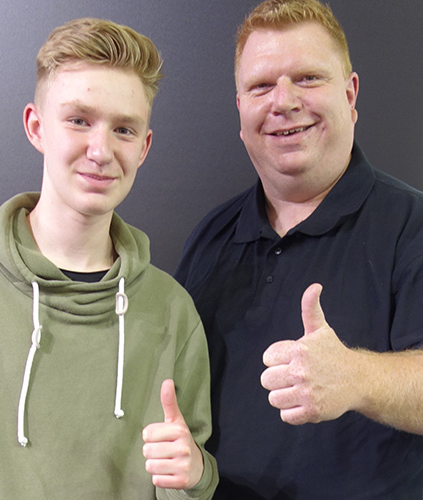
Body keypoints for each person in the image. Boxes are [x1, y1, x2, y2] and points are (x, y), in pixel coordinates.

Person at [0, 18, 218, 500]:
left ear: (144, 148)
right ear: (36, 127)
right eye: (79, 120)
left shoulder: (173, 311)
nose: (101, 151)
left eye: (123, 129)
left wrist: (194, 475)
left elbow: (187, 480)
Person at [175, 0, 423, 498]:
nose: (284, 101)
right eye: (261, 86)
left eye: (308, 78)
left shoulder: (411, 224)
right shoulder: (210, 238)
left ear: (350, 95)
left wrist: (356, 378)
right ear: (241, 109)